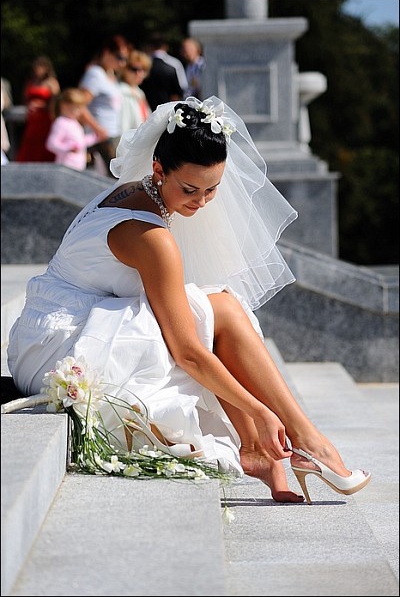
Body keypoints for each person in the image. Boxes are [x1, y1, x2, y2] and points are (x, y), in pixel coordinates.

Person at [7, 95, 371, 504]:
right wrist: (260, 411)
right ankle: (305, 441)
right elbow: (189, 354)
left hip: (40, 331)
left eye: (212, 190)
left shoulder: (134, 191)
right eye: (190, 189)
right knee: (219, 312)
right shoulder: (151, 237)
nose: (200, 202)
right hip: (61, 349)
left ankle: (269, 447)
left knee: (215, 308)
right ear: (158, 169)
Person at [78, 36, 126, 176]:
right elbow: (79, 105)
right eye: (119, 57)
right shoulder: (95, 74)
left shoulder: (110, 74)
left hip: (112, 135)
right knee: (110, 180)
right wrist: (97, 128)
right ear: (106, 52)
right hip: (100, 139)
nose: (122, 63)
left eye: (125, 59)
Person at [16, 56, 60, 162]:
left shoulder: (52, 82)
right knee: (30, 141)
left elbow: (56, 102)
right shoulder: (31, 82)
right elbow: (25, 98)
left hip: (45, 118)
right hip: (33, 118)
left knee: (43, 141)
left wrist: (41, 106)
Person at [45, 88, 101, 172]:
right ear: (65, 106)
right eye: (76, 108)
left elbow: (80, 141)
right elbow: (51, 144)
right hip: (66, 166)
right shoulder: (60, 122)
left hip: (78, 166)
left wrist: (95, 138)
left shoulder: (74, 122)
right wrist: (68, 148)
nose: (79, 112)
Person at [141, 34, 188, 111]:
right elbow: (182, 88)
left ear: (150, 46)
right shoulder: (174, 63)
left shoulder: (144, 64)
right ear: (165, 46)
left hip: (148, 110)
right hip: (169, 110)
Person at [118, 49, 152, 133]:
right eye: (134, 69)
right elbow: (123, 125)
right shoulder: (121, 92)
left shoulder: (139, 92)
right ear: (124, 69)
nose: (139, 73)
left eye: (143, 69)